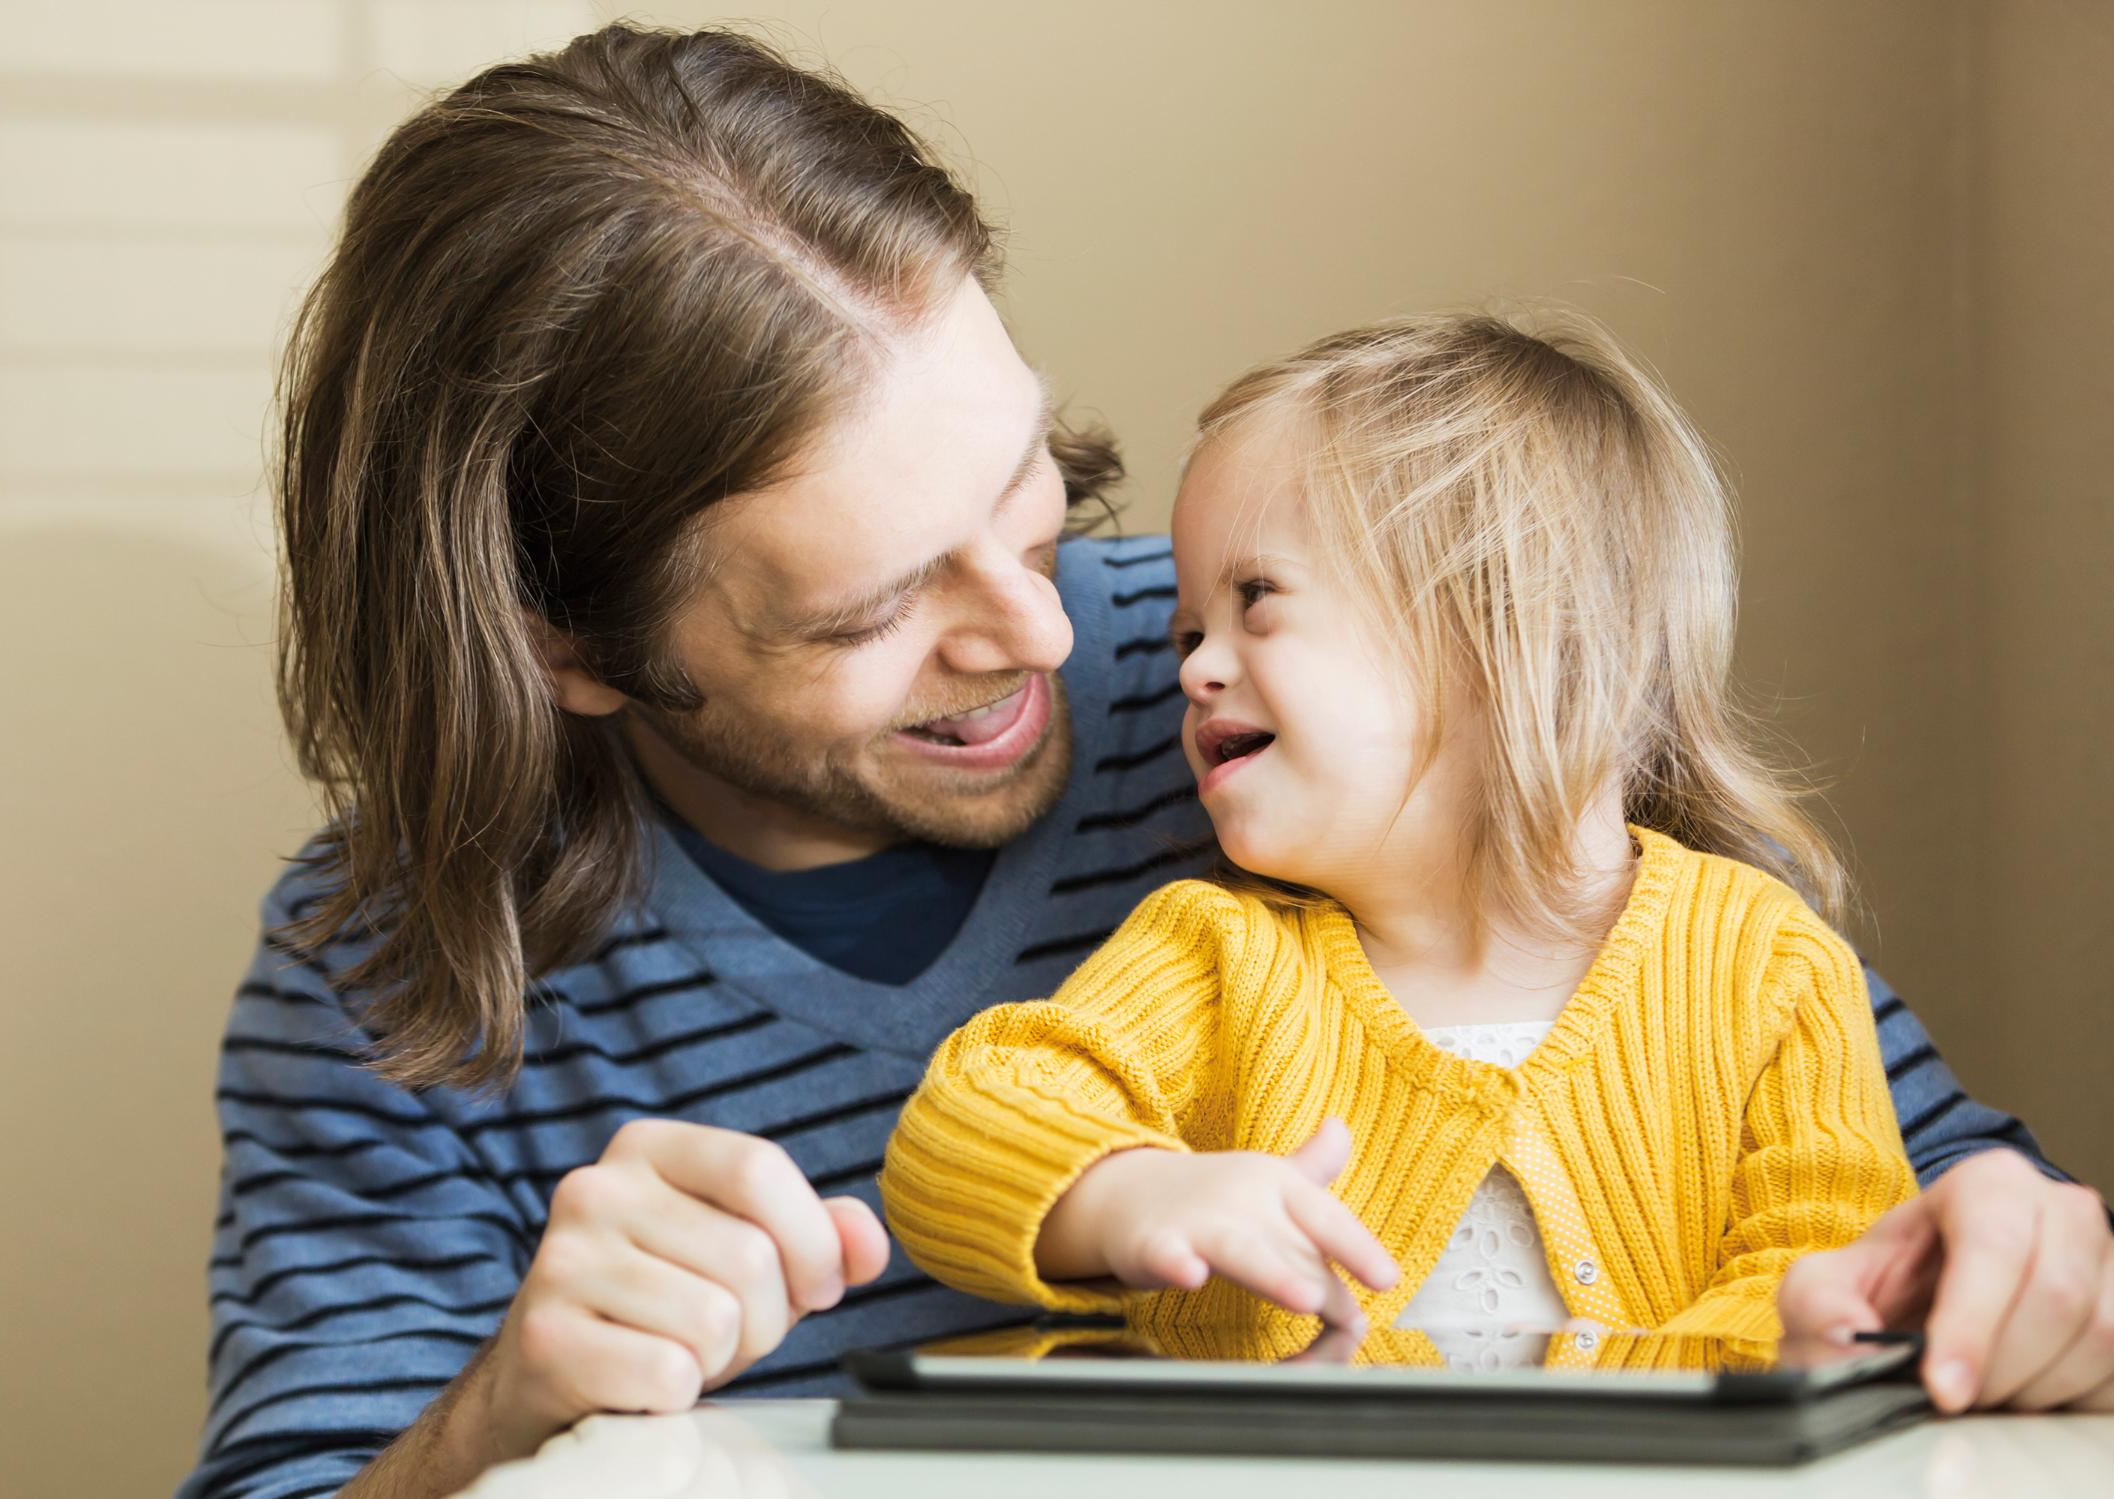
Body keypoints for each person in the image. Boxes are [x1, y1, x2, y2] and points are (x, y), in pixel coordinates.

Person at [179, 20, 2114, 1499]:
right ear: (572, 646)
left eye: (1029, 486)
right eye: (873, 612)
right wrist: (498, 1410)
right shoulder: (395, 976)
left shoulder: (1304, 695)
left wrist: (2015, 1250)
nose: (1051, 635)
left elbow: (1903, 1191)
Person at [882, 311, 1917, 1370]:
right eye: (1190, 631)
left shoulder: (1766, 966)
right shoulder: (1212, 955)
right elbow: (960, 1128)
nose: (1193, 669)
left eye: (1256, 599)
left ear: (1504, 622)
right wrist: (1129, 1188)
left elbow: (1822, 1275)